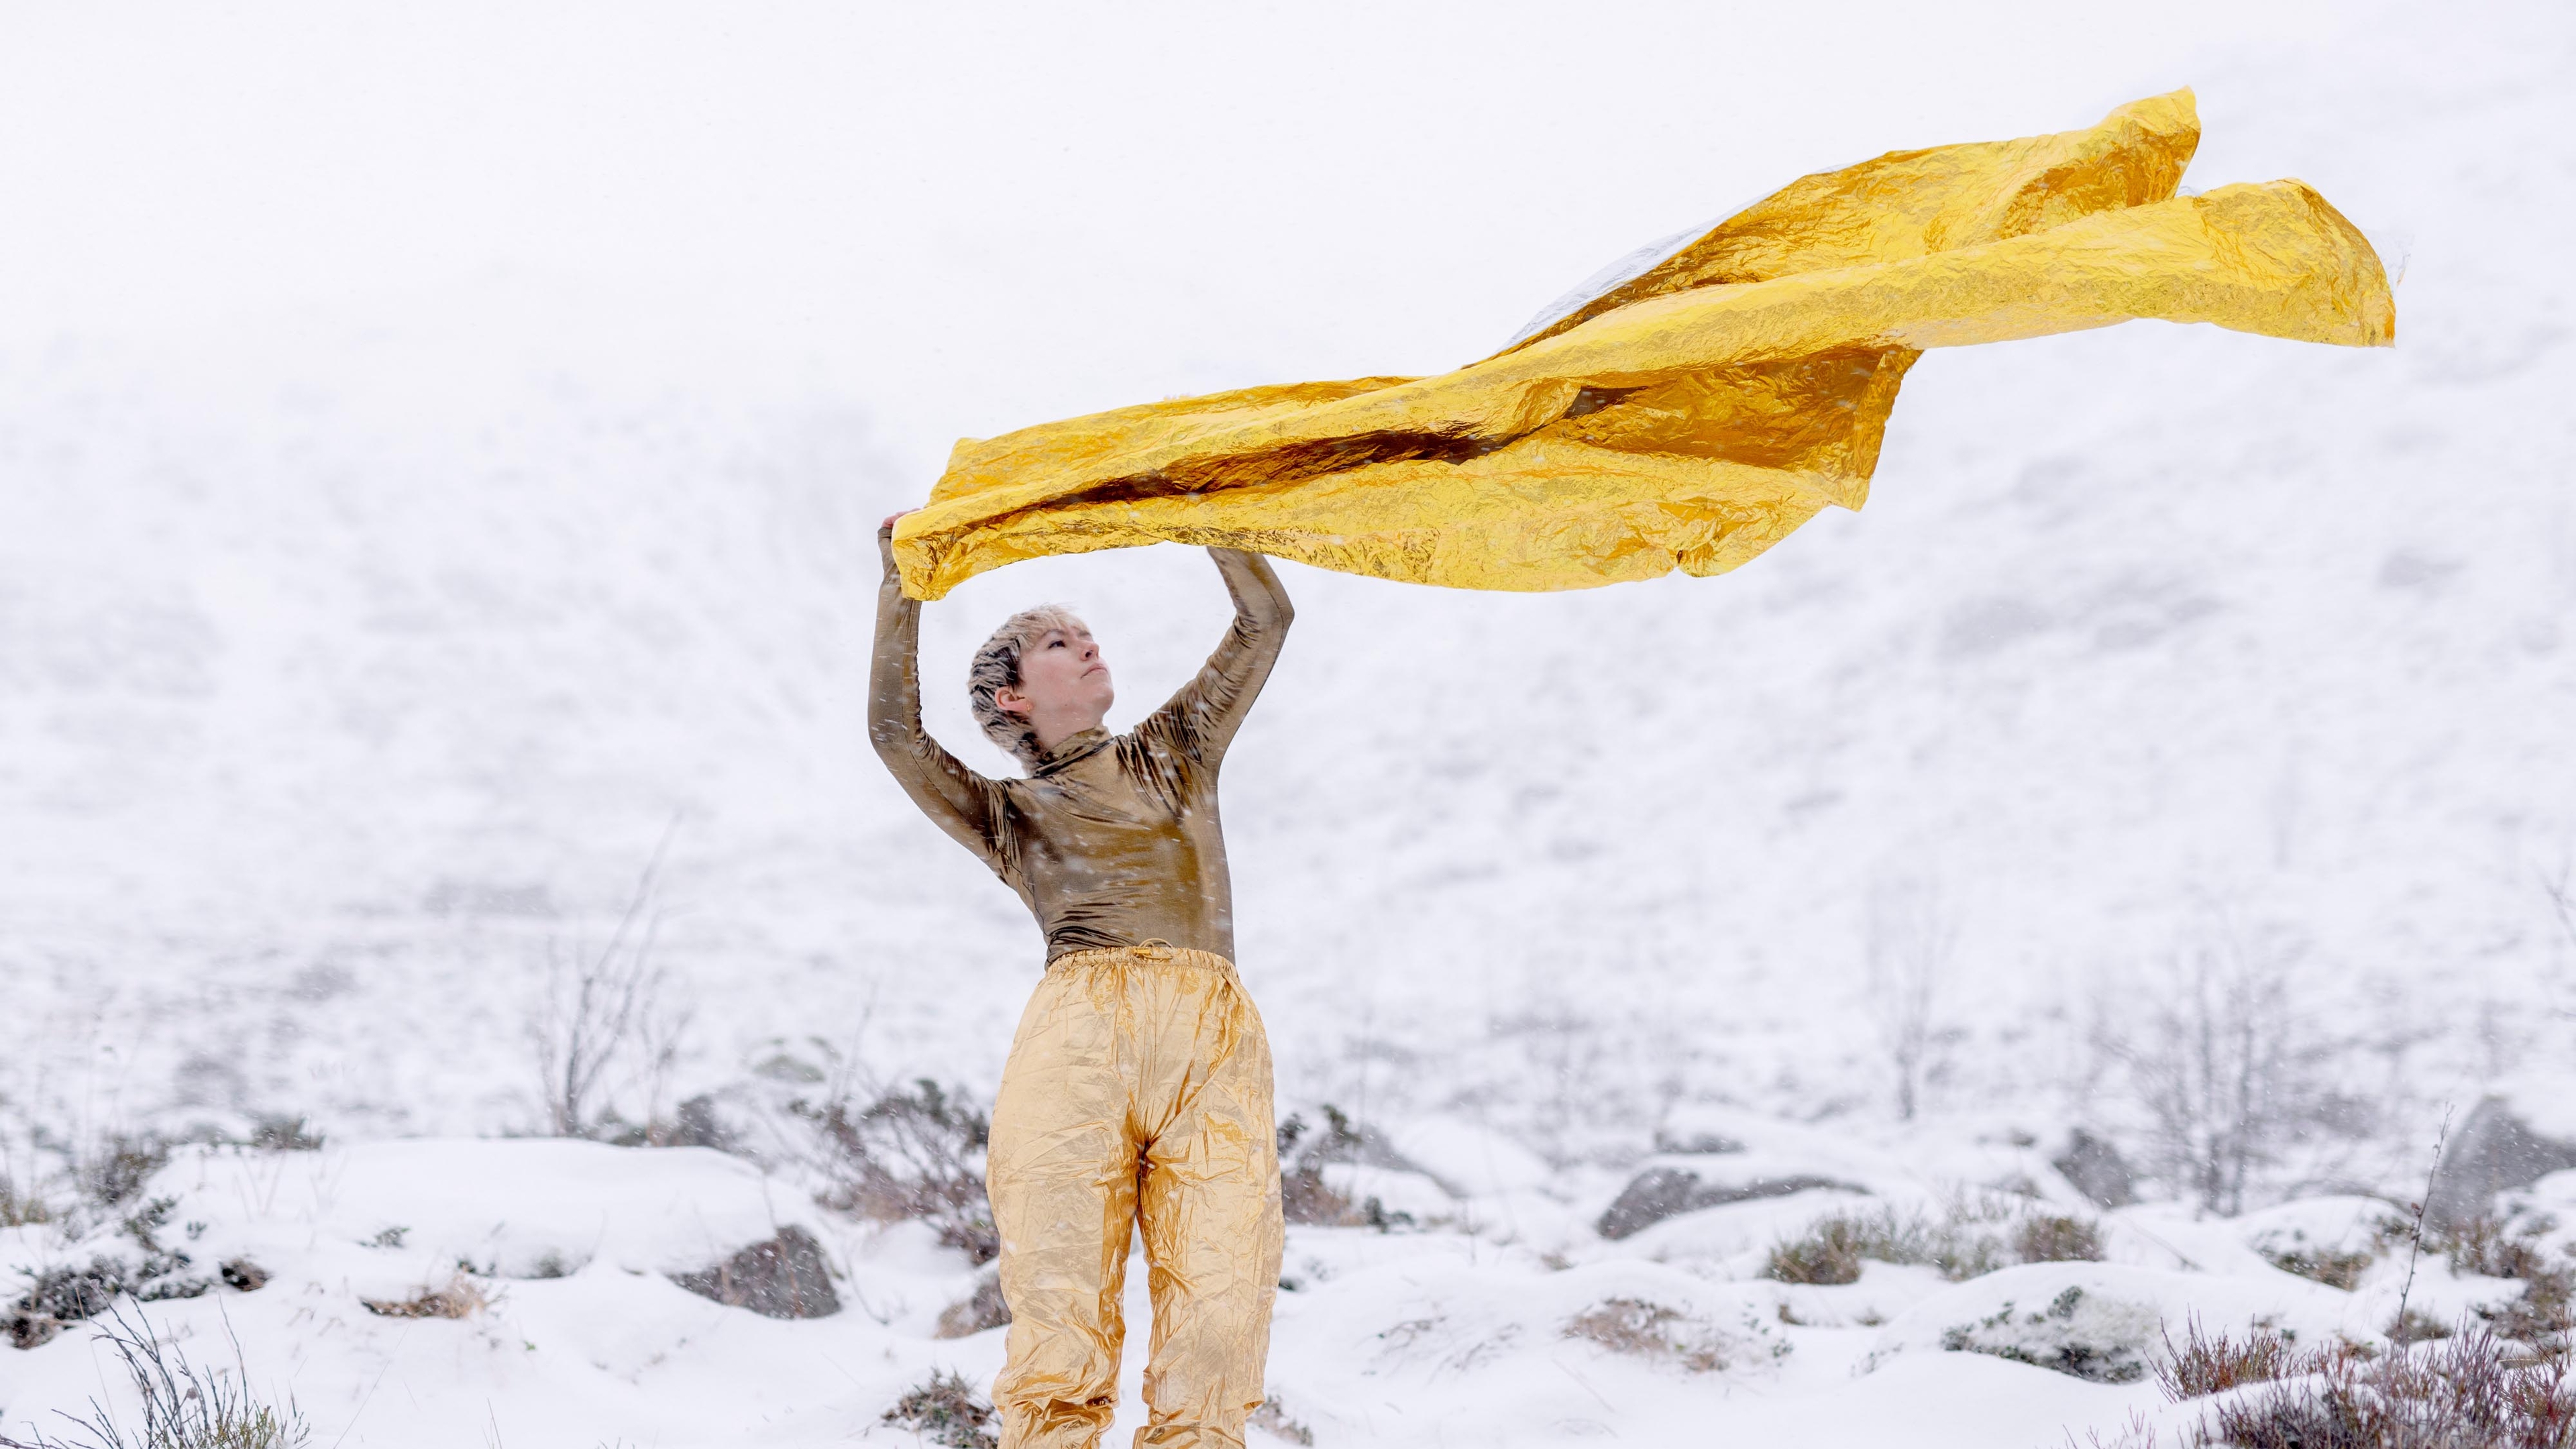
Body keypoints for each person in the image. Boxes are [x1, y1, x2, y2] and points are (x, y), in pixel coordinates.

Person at [870, 513, 1295, 1449]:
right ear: (1013, 698)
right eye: (1058, 643)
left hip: (1211, 1041)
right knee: (1060, 1316)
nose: (1088, 644)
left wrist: (1209, 517)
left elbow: (1266, 620)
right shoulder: (1008, 814)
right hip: (1078, 1042)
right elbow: (896, 734)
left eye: (1087, 633)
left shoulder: (1176, 750)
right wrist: (900, 585)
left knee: (1223, 1313)